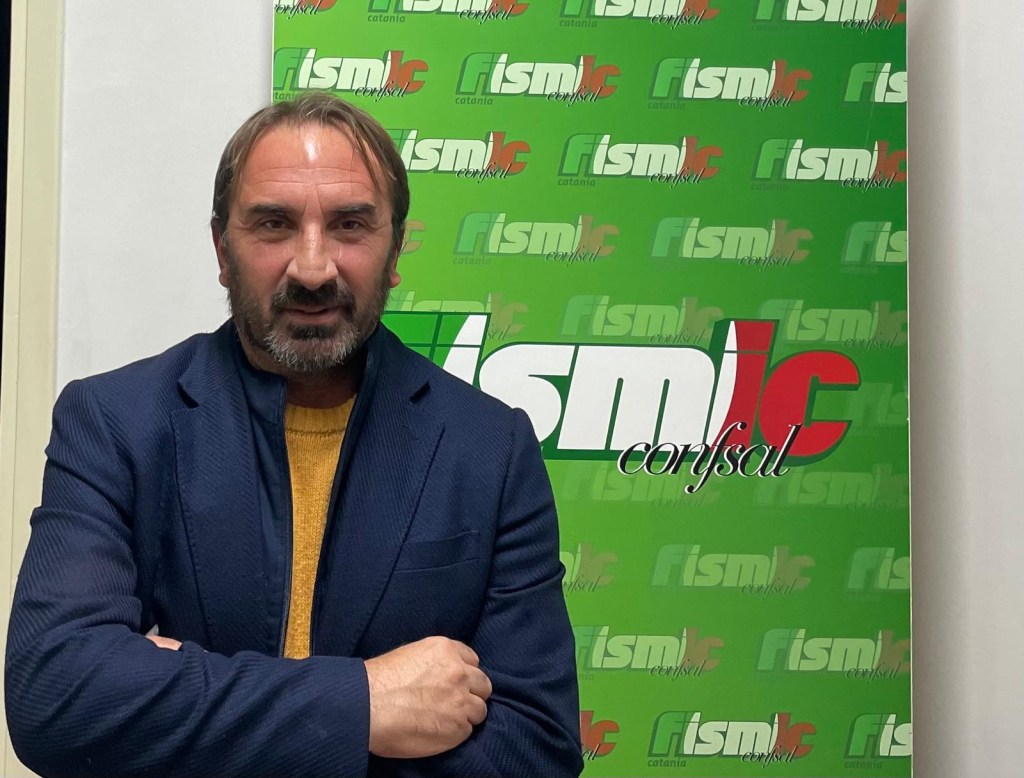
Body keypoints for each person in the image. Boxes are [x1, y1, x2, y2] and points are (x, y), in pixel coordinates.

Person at [5, 93, 583, 778]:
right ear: (223, 250)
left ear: (396, 249)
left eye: (349, 225)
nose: (313, 268)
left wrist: (179, 702)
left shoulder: (489, 448)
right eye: (274, 224)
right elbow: (57, 698)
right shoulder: (115, 422)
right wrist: (366, 702)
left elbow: (536, 750)